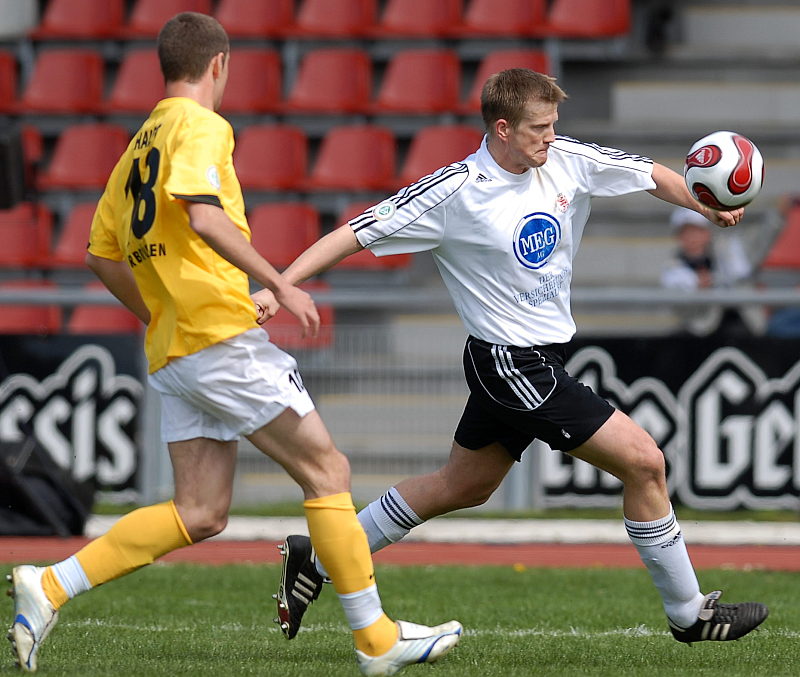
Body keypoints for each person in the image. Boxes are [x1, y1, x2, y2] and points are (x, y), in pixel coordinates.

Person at [5, 13, 461, 676]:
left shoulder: (135, 147)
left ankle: (50, 584)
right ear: (219, 65)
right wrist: (281, 282)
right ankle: (375, 639)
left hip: (175, 346)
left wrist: (159, 312)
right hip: (219, 336)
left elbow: (99, 256)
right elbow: (203, 213)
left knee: (199, 510)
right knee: (327, 470)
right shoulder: (201, 125)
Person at [254, 69, 769, 646]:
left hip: (540, 358)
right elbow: (353, 232)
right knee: (644, 462)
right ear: (502, 129)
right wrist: (279, 287)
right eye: (539, 128)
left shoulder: (566, 160)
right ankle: (689, 613)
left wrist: (702, 206)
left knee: (462, 486)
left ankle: (320, 557)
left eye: (553, 125)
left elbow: (649, 174)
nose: (551, 137)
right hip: (510, 365)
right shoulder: (455, 191)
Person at [661, 206, 763, 336]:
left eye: (697, 231)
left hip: (739, 324)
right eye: (686, 232)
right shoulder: (672, 267)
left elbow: (741, 274)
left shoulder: (724, 252)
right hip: (700, 330)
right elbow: (681, 310)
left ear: (707, 233)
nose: (692, 237)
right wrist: (698, 290)